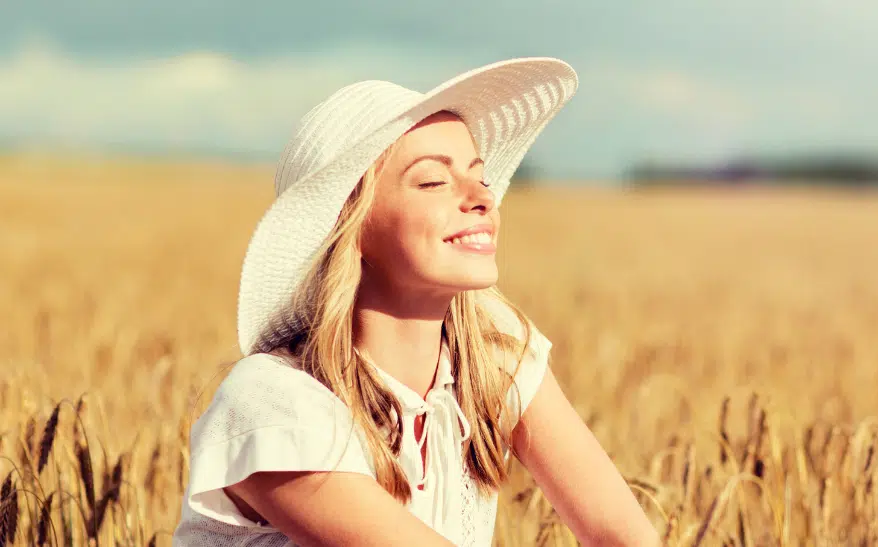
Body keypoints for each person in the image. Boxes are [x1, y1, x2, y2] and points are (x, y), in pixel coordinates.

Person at [173, 57, 660, 546]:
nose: (482, 199)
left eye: (481, 177)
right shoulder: (272, 403)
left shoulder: (494, 362)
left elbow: (623, 535)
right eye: (432, 181)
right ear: (351, 224)